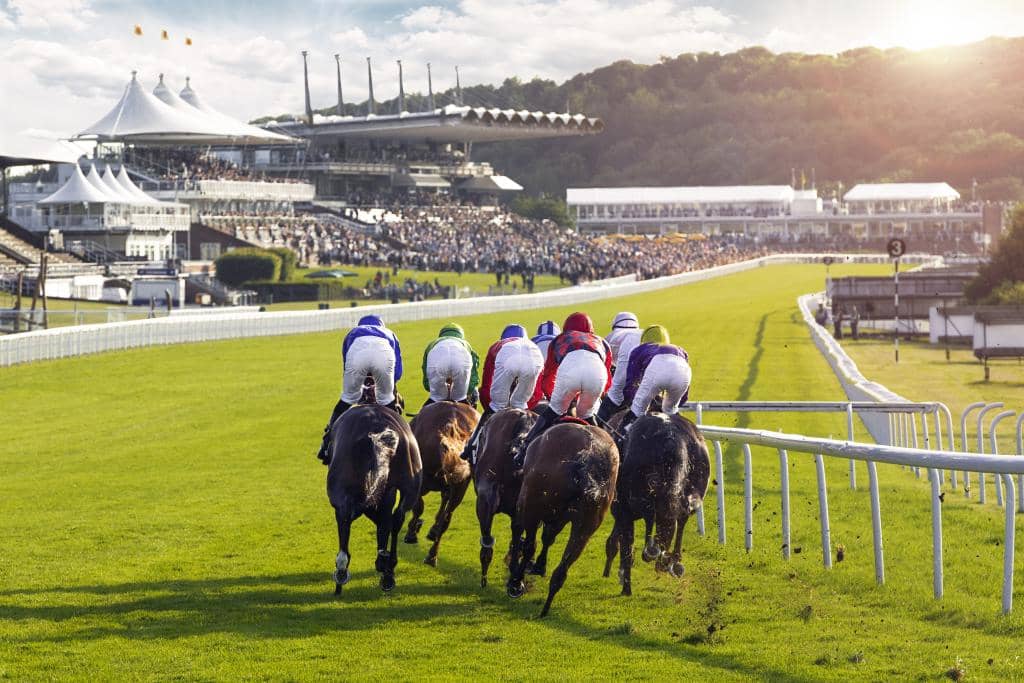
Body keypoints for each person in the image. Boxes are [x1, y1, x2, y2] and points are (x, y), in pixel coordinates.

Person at [515, 312, 612, 466]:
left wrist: (555, 399)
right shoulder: (602, 343)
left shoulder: (559, 340)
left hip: (570, 372)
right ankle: (608, 453)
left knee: (554, 410)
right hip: (597, 374)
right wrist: (587, 398)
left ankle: (523, 450)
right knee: (586, 414)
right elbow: (607, 383)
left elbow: (548, 376)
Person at [316, 314, 404, 465]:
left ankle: (326, 444)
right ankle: (402, 443)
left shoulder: (352, 333)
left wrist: (355, 386)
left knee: (347, 398)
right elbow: (397, 372)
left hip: (358, 355)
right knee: (387, 400)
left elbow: (346, 363)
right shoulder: (390, 334)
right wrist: (388, 387)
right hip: (384, 354)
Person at [460, 324, 545, 462]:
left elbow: (487, 386)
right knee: (520, 404)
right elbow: (537, 393)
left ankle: (470, 447)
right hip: (534, 357)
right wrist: (523, 407)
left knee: (497, 405)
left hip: (508, 356)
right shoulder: (532, 346)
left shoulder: (497, 346)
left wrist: (492, 407)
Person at [617, 324, 691, 433]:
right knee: (671, 411)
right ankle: (685, 433)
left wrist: (633, 402)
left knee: (637, 411)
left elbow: (631, 383)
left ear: (644, 340)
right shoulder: (681, 350)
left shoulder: (639, 349)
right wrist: (675, 404)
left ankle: (621, 438)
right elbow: (684, 395)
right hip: (683, 372)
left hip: (657, 371)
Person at [596, 312, 643, 423]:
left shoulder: (609, 337)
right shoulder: (642, 332)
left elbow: (604, 367)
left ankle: (598, 426)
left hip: (623, 367)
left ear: (614, 326)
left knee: (614, 395)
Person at [420, 322, 479, 407]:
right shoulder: (466, 345)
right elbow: (472, 383)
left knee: (435, 399)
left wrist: (443, 391)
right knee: (461, 399)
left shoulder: (433, 344)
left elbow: (427, 384)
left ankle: (420, 417)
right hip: (462, 360)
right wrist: (460, 391)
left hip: (437, 359)